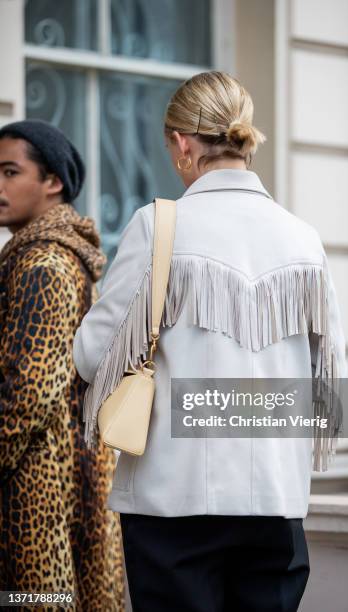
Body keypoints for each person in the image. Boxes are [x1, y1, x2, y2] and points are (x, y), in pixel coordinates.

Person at [74, 71, 347, 612]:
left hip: (173, 506)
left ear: (181, 143)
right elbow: (326, 376)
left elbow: (93, 355)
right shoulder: (302, 237)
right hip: (276, 502)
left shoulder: (160, 227)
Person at [0, 120, 125, 611]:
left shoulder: (43, 265)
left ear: (53, 182)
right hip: (60, 482)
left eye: (11, 172)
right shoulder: (40, 257)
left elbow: (28, 392)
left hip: (36, 497)